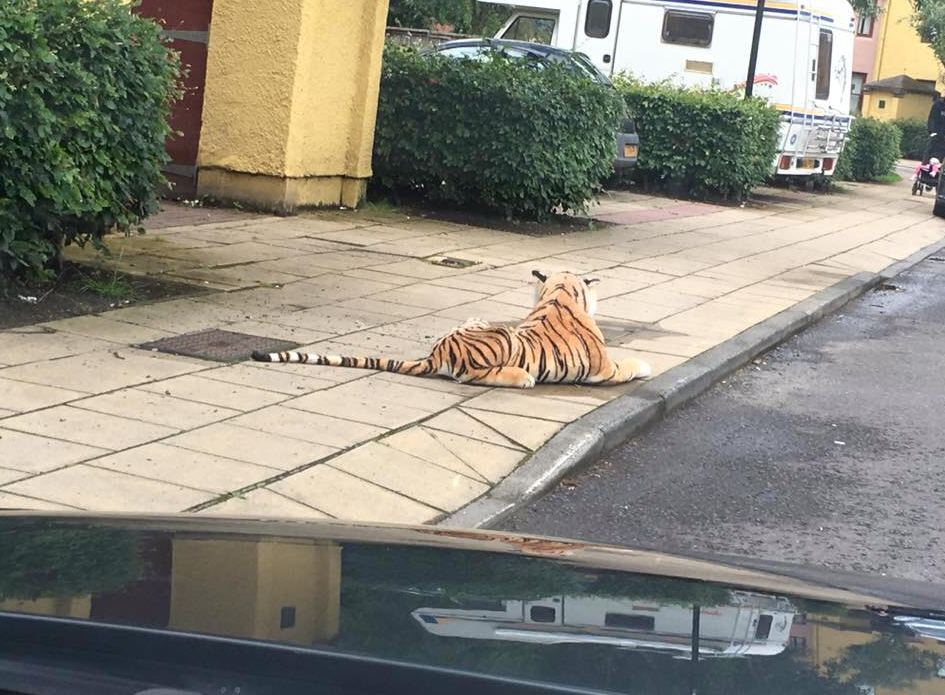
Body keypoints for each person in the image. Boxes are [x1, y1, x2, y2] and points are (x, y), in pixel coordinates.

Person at [924, 93, 945, 163]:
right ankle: (925, 171)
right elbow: (932, 119)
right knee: (929, 158)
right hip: (936, 137)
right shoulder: (938, 105)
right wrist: (932, 132)